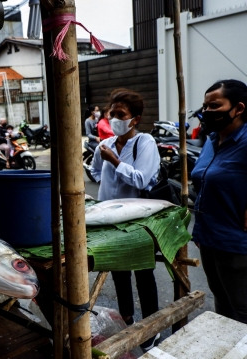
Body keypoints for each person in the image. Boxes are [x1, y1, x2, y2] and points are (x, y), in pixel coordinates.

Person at [191, 79, 247, 330]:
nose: (207, 112)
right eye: (205, 106)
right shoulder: (213, 140)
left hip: (239, 244)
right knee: (223, 310)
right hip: (210, 240)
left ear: (239, 108)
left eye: (215, 105)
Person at [90, 88, 161, 351]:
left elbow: (142, 178)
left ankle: (152, 328)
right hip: (108, 218)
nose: (115, 119)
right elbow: (96, 172)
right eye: (112, 114)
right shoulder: (105, 145)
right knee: (119, 272)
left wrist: (116, 163)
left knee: (144, 273)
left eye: (121, 115)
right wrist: (106, 176)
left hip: (138, 219)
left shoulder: (145, 143)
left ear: (135, 119)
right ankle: (127, 318)